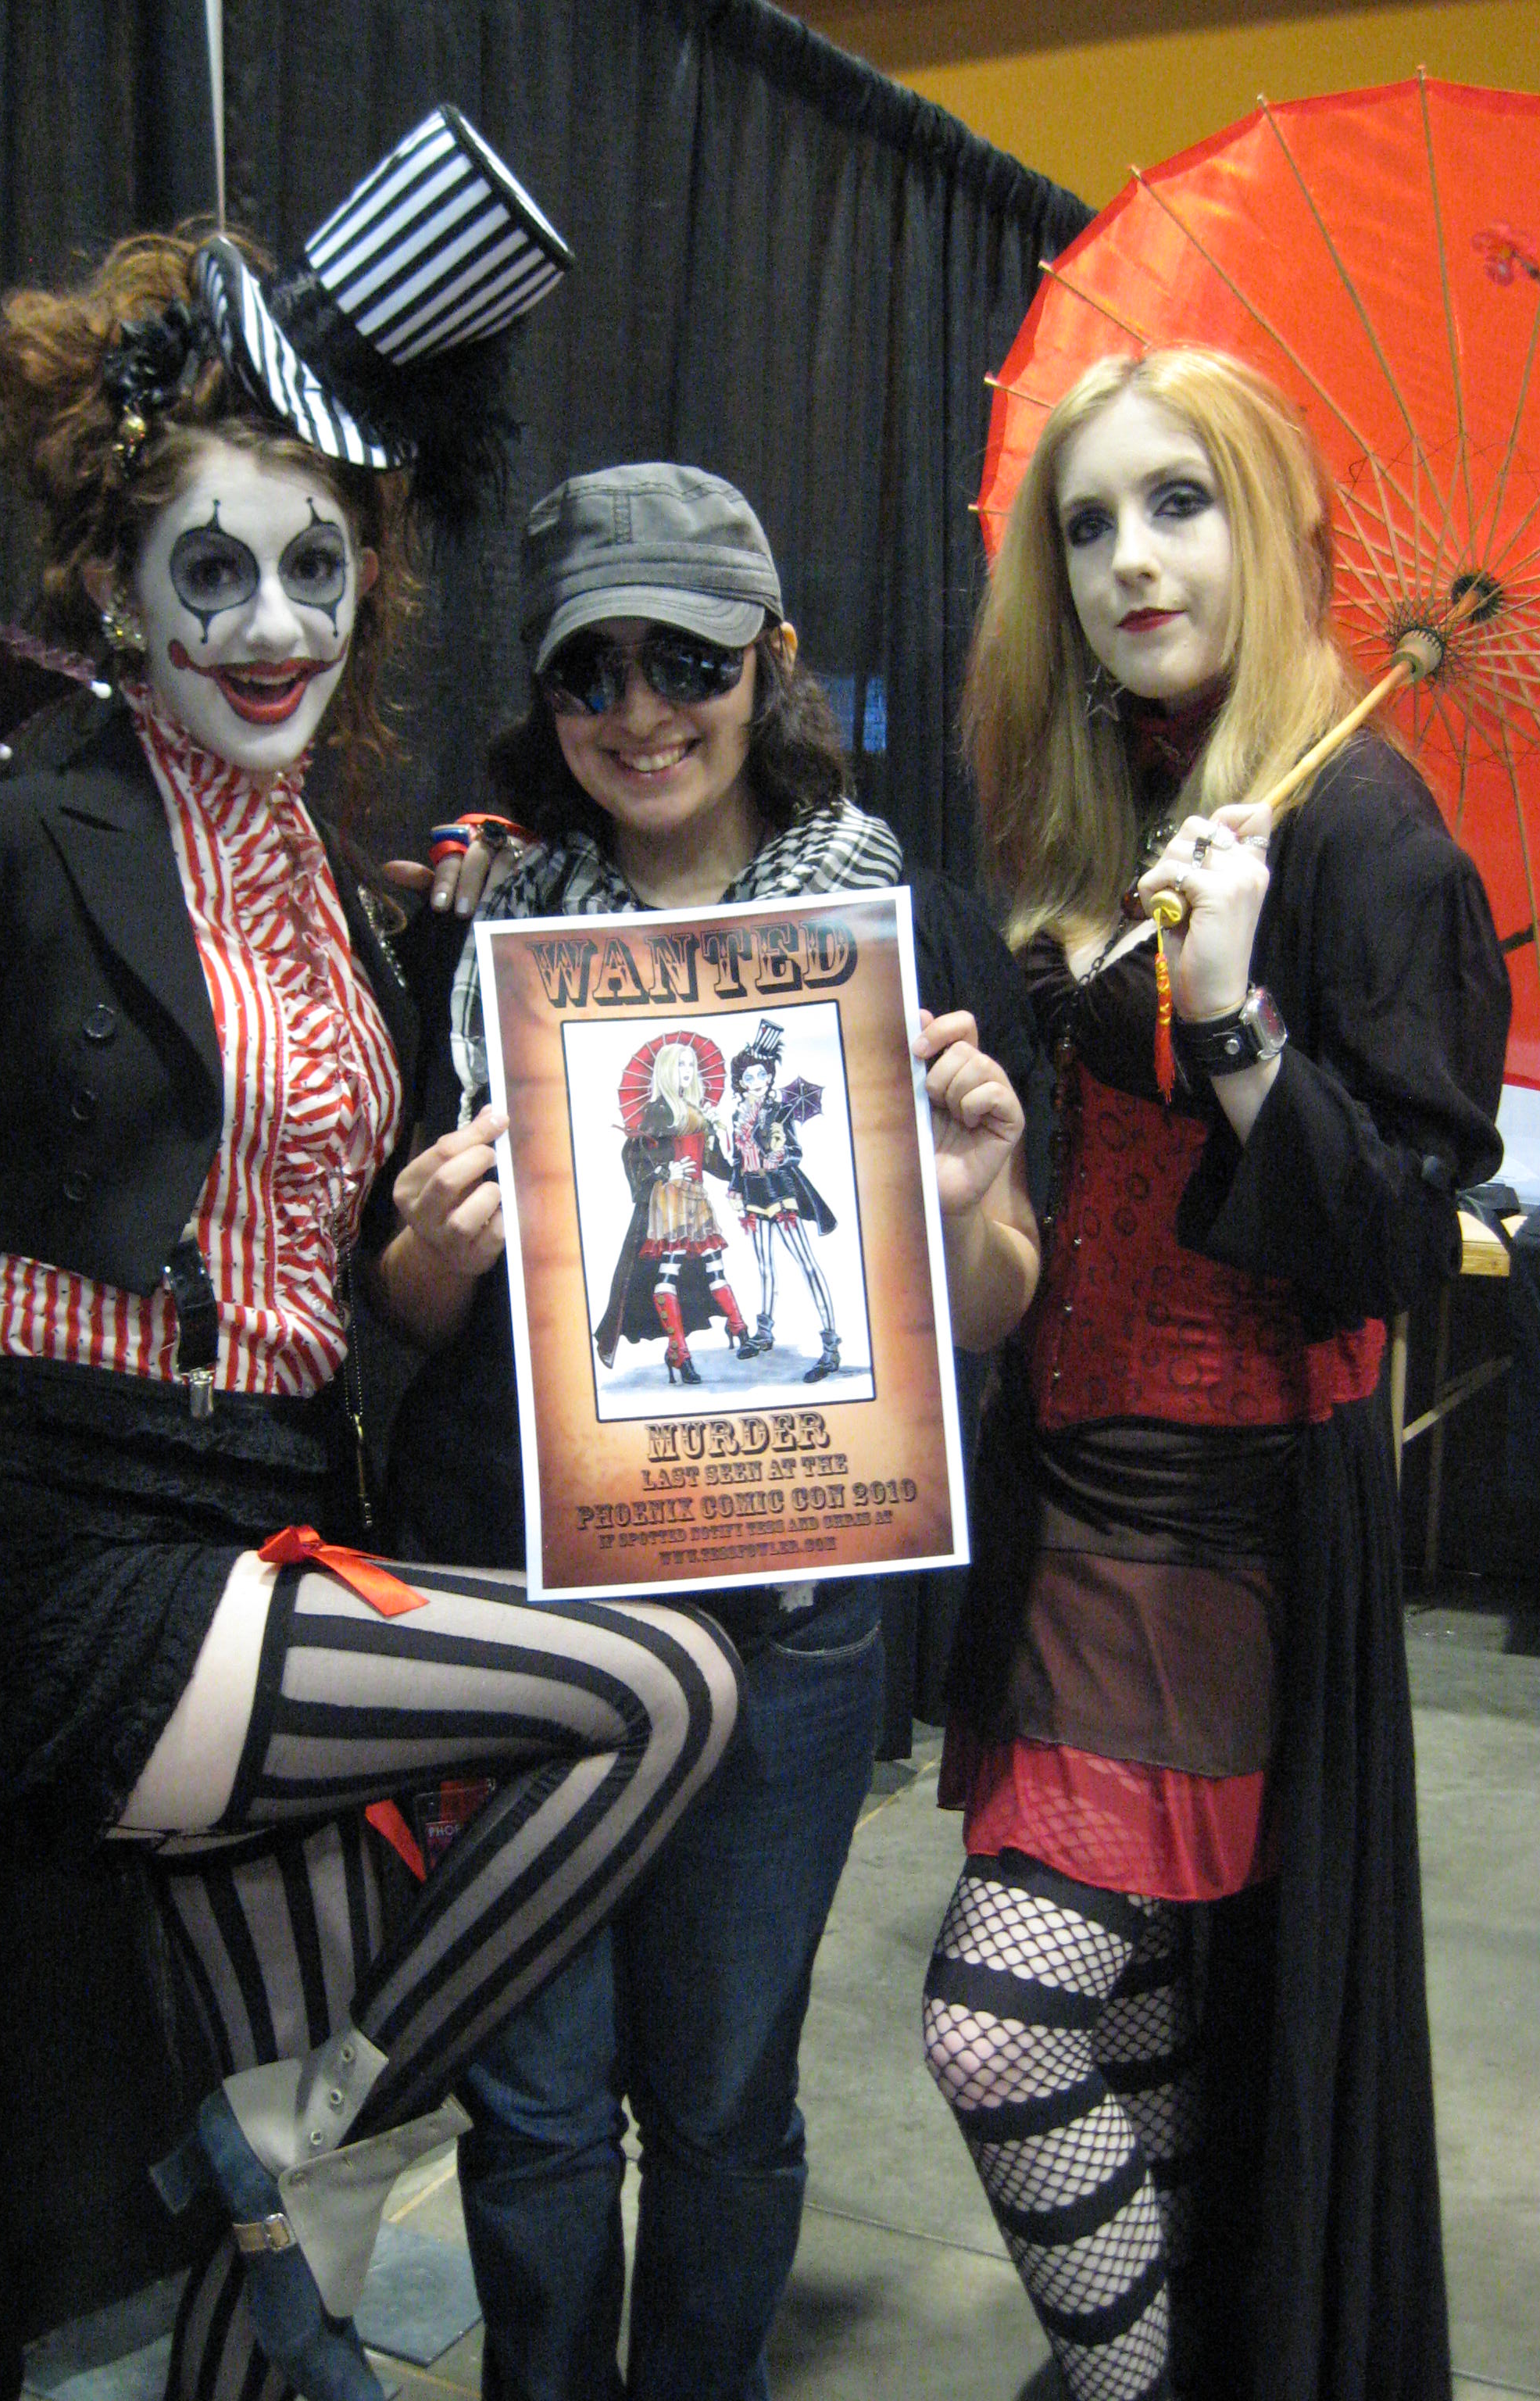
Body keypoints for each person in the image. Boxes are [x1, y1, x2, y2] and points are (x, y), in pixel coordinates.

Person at [0, 128, 744, 2401]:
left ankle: (279, 2152)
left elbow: (350, 1281)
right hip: (72, 1557)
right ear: (122, 591)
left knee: (296, 2254)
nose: (274, 623)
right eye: (214, 570)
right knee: (660, 1689)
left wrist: (425, 1242)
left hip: (277, 1512)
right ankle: (291, 2124)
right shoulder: (25, 844)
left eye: (317, 569)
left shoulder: (348, 904)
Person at [373, 461, 1042, 2400]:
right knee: (534, 2099)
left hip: (788, 1611)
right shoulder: (480, 941)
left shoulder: (903, 930)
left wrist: (962, 1198)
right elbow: (405, 1317)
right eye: (592, 669)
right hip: (520, 1600)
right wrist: (432, 1250)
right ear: (546, 694)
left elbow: (990, 1305)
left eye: (687, 658)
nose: (642, 710)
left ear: (772, 660)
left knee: (727, 2094)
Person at [921, 348, 1510, 2401]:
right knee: (1146, 2032)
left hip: (1219, 1525)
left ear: (1269, 527)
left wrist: (1239, 1016)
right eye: (1088, 523)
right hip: (1064, 1490)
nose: (1129, 561)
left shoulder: (1370, 836)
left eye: (1179, 503)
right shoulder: (1128, 796)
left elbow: (1398, 1243)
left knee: (1003, 2025)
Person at [593, 1032, 759, 1385]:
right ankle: (679, 1351)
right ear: (667, 1069)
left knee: (714, 1265)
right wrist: (664, 1171)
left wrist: (717, 1134)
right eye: (681, 1064)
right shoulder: (658, 1110)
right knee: (669, 1271)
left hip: (696, 1198)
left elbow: (712, 1163)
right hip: (669, 1201)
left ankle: (738, 1326)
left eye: (691, 1064)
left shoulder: (695, 1109)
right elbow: (634, 1153)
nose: (688, 1070)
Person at [724, 1018, 842, 1377]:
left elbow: (795, 1153)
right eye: (750, 1077)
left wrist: (779, 1151)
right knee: (764, 1264)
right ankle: (765, 1333)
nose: (758, 1081)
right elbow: (738, 1158)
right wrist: (734, 1186)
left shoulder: (778, 1111)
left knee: (806, 1262)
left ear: (770, 1076)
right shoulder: (738, 1115)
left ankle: (830, 1347)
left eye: (762, 1075)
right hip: (752, 1191)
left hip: (780, 1188)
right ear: (740, 1082)